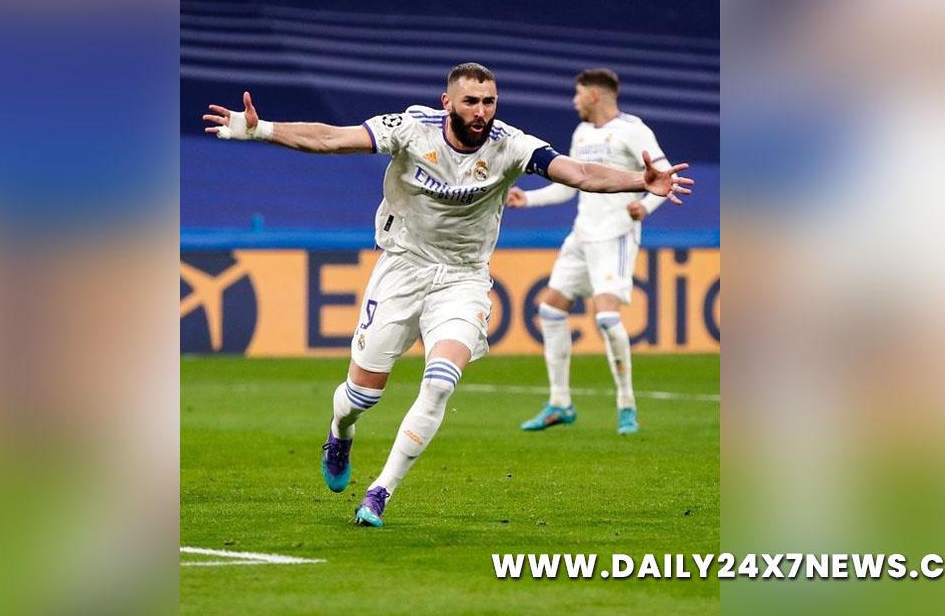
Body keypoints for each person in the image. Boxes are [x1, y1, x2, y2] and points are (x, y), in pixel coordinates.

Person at [202, 63, 692, 527]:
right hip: (402, 270)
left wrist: (639, 181)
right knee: (360, 397)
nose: (481, 111)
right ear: (447, 102)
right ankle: (340, 433)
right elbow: (332, 139)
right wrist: (262, 130)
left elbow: (579, 173)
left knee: (439, 382)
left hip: (463, 279)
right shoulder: (411, 129)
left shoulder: (511, 145)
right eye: (471, 101)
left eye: (489, 101)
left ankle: (380, 491)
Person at [506, 68, 672, 435]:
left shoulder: (633, 130)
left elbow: (664, 177)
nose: (574, 101)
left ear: (594, 95)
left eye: (578, 93)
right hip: (582, 235)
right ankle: (560, 403)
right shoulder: (582, 133)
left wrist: (646, 206)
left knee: (606, 318)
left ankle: (626, 406)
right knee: (550, 309)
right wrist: (527, 199)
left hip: (615, 235)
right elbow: (569, 186)